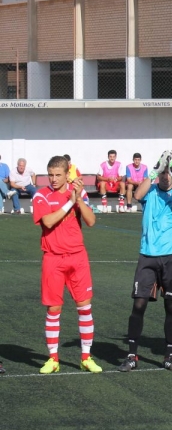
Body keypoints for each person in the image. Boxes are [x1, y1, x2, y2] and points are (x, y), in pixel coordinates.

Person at [117, 151, 172, 372]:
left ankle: (169, 356)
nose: (165, 176)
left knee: (171, 306)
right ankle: (132, 356)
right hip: (148, 255)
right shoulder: (150, 190)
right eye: (163, 172)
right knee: (138, 304)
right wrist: (155, 171)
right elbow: (138, 194)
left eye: (168, 172)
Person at [32, 155, 101, 374]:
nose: (53, 179)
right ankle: (53, 359)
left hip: (77, 257)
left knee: (85, 307)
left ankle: (86, 357)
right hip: (52, 258)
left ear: (66, 173)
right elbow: (48, 222)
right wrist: (71, 201)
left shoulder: (77, 193)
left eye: (58, 175)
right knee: (54, 309)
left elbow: (91, 221)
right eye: (50, 175)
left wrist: (78, 199)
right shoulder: (41, 196)